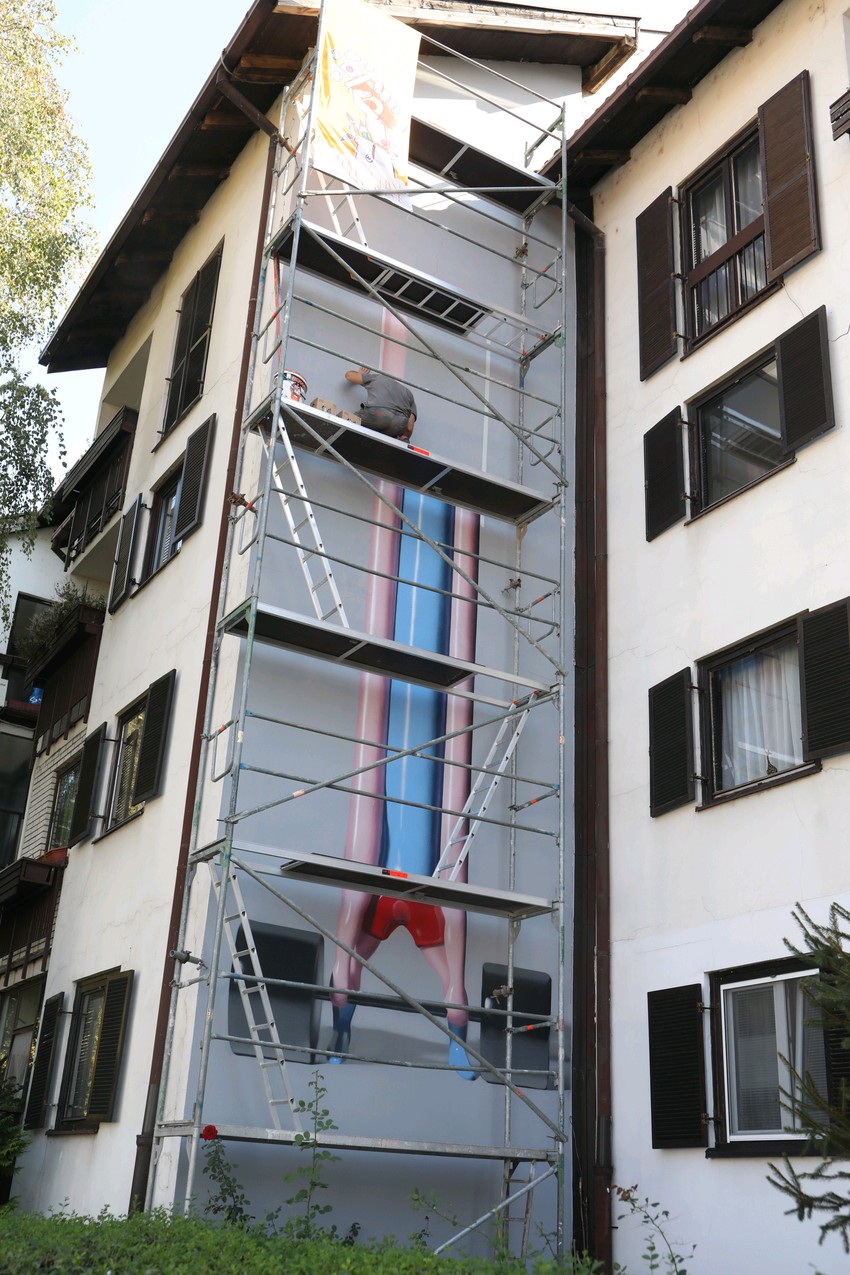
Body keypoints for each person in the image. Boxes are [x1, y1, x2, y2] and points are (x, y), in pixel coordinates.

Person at [345, 366, 416, 440]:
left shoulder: (378, 378)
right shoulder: (408, 393)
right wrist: (404, 438)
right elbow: (409, 428)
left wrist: (360, 374)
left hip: (378, 415)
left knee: (348, 419)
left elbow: (349, 375)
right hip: (398, 424)